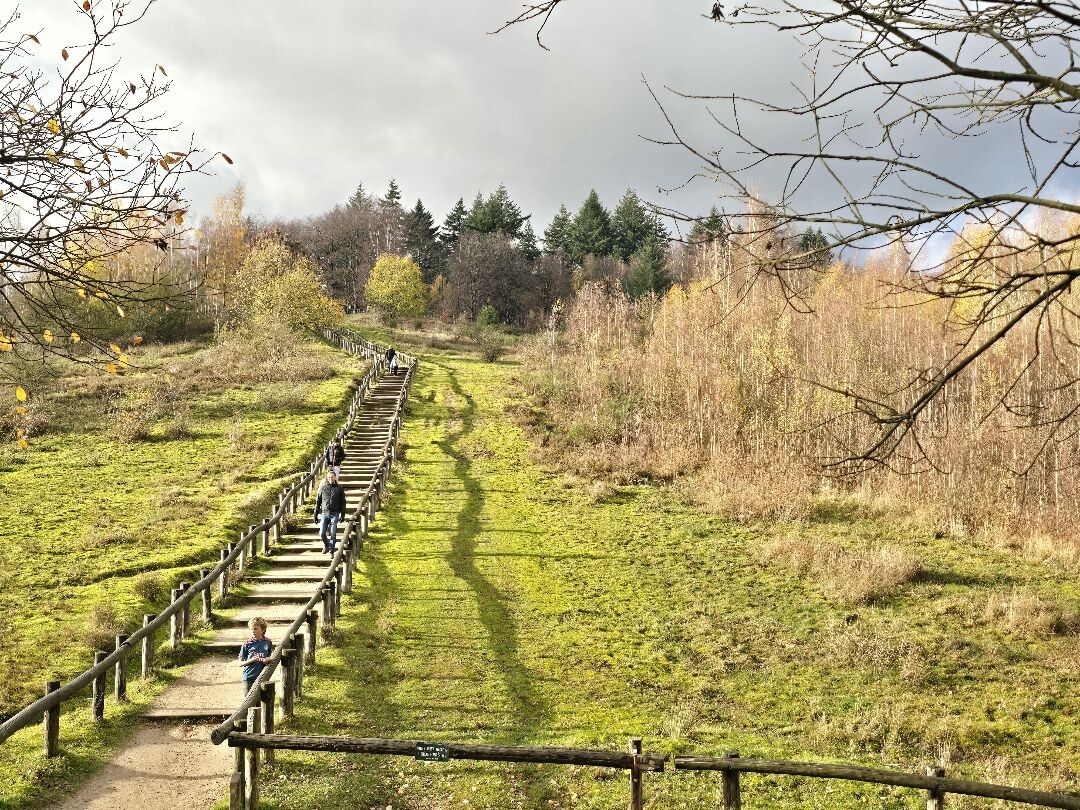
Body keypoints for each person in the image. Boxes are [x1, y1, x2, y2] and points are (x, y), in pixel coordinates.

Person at [313, 469, 346, 554]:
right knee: (322, 534)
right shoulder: (323, 488)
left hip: (335, 514)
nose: (330, 479)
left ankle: (331, 551)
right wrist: (315, 514)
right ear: (327, 478)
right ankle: (327, 545)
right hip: (325, 513)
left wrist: (342, 515)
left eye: (332, 477)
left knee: (333, 533)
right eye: (329, 477)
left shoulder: (340, 488)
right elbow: (318, 501)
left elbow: (343, 502)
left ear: (335, 477)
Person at [238, 617, 272, 697]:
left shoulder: (268, 642)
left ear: (263, 630)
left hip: (262, 677)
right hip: (249, 677)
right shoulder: (247, 644)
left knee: (260, 702)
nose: (253, 631)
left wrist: (267, 660)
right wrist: (251, 660)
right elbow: (239, 663)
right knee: (248, 703)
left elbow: (268, 657)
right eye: (251, 629)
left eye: (256, 629)